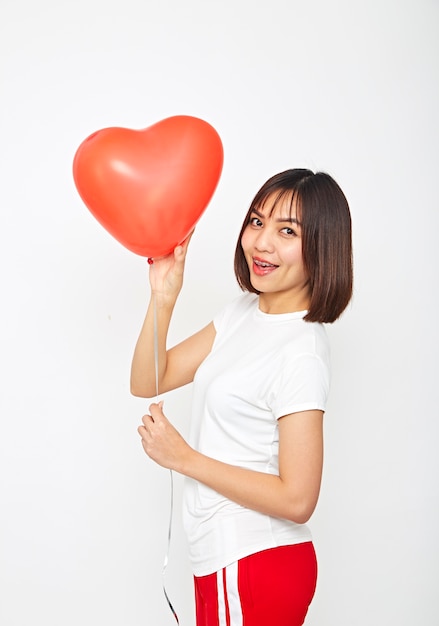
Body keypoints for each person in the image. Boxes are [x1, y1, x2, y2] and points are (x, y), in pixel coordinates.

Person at [131, 168, 353, 626]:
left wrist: (183, 458)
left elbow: (298, 499)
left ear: (324, 247)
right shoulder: (243, 312)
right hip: (222, 559)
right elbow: (148, 379)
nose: (261, 242)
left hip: (255, 559)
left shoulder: (301, 351)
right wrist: (164, 297)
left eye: (286, 230)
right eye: (256, 222)